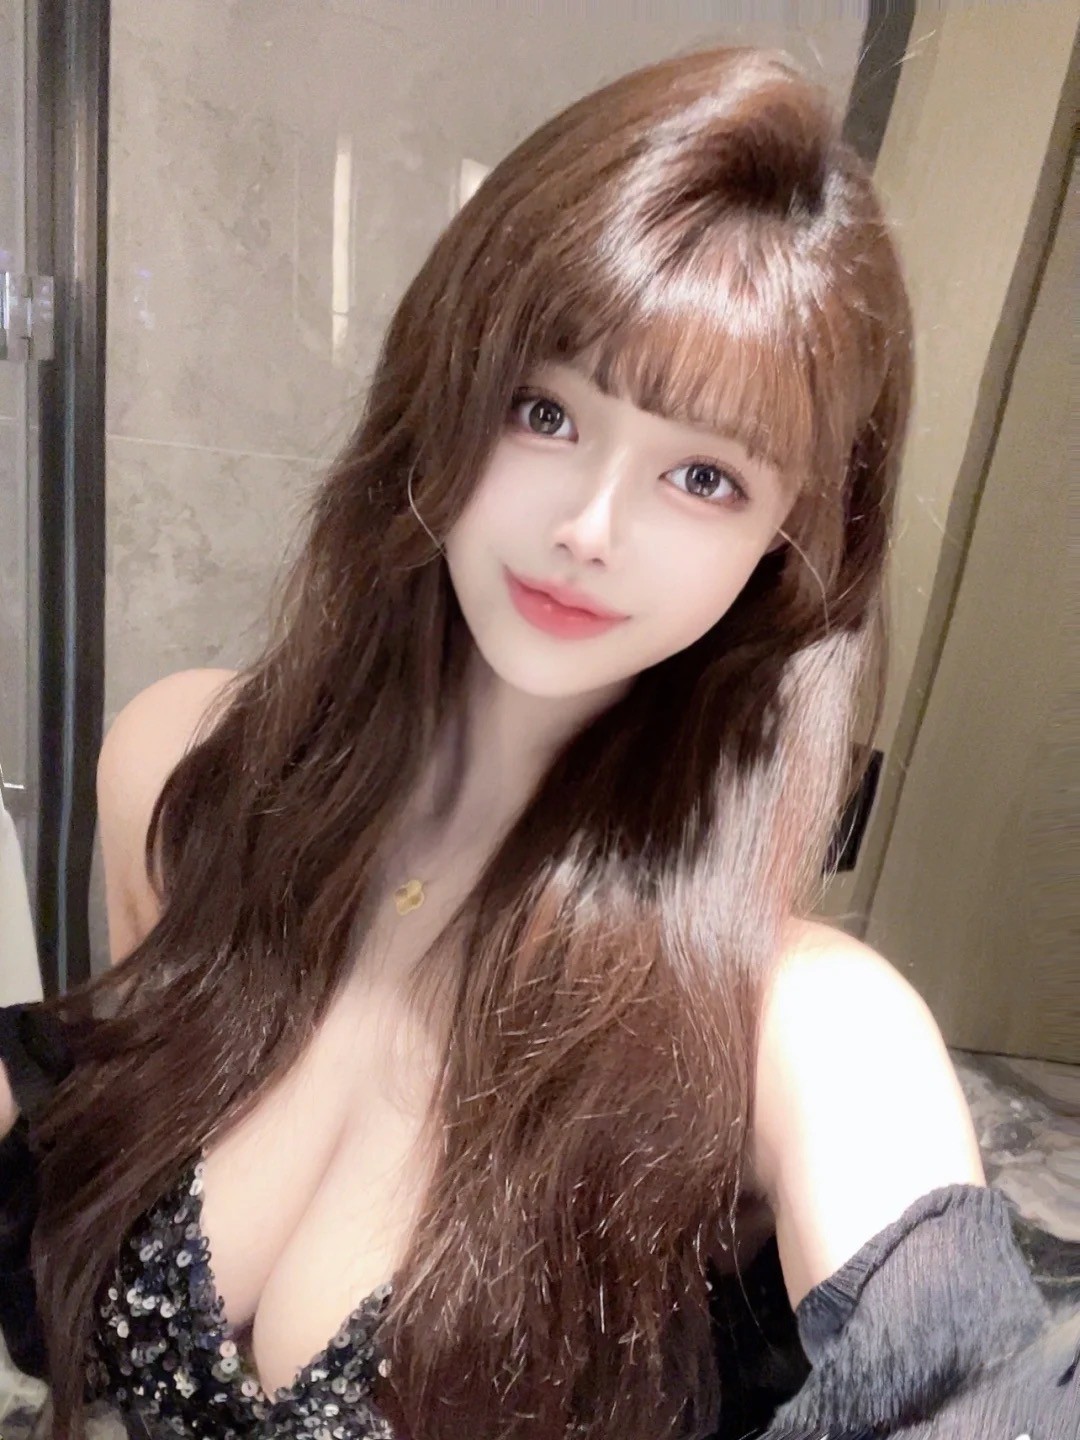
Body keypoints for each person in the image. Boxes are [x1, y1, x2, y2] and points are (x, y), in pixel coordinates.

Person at [0, 44, 1066, 1440]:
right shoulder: (183, 777)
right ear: (444, 386)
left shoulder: (801, 1028)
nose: (590, 526)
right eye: (545, 409)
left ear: (791, 539)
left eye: (704, 475)